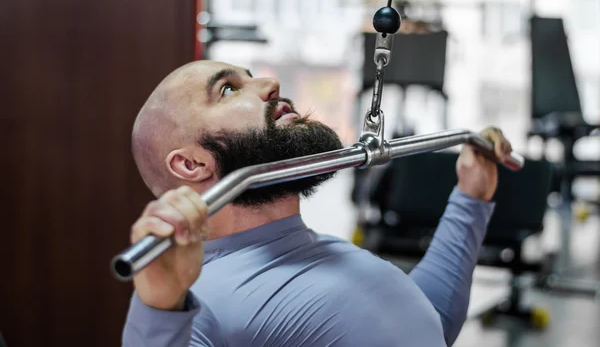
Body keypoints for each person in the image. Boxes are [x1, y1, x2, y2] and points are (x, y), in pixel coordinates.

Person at [122, 60, 513, 347]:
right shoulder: (200, 302)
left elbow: (429, 324)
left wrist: (471, 197)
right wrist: (159, 310)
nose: (270, 82)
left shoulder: (330, 254)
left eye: (248, 75)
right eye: (227, 89)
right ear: (192, 163)